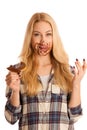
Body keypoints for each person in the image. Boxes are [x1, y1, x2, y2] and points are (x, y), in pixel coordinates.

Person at [4, 12, 87, 130]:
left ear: (54, 37)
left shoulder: (68, 72)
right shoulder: (18, 72)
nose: (43, 40)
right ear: (30, 38)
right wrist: (15, 91)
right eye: (37, 34)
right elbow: (11, 118)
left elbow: (75, 116)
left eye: (48, 34)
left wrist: (76, 84)